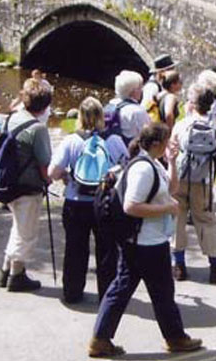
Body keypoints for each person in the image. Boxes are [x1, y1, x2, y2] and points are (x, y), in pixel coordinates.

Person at [89, 123, 203, 357]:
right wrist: (167, 209)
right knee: (161, 291)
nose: (171, 144)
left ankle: (100, 339)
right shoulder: (143, 168)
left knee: (123, 288)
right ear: (155, 144)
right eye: (167, 141)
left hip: (142, 241)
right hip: (146, 243)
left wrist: (171, 161)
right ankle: (175, 338)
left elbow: (171, 188)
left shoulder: (152, 163)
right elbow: (131, 206)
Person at [48, 97, 129, 303]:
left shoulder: (71, 141)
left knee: (75, 248)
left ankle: (72, 292)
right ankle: (108, 295)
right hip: (105, 203)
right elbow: (127, 167)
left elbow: (53, 172)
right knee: (107, 250)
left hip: (76, 201)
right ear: (102, 116)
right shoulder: (113, 140)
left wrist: (66, 176)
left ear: (79, 116)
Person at [170, 85, 216, 284]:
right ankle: (215, 266)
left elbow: (172, 148)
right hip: (203, 179)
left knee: (178, 219)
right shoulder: (215, 123)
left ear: (192, 103)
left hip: (181, 177)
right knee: (206, 220)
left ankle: (179, 265)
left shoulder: (182, 124)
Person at [0, 78, 53, 292]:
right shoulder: (37, 128)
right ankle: (17, 274)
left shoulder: (12, 118)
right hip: (27, 186)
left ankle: (5, 269)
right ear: (46, 105)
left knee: (18, 227)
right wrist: (49, 179)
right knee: (26, 232)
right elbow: (44, 163)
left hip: (8, 182)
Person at [109, 71, 151, 143]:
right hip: (131, 150)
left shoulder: (111, 104)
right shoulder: (138, 111)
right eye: (140, 87)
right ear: (133, 91)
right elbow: (148, 134)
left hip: (113, 148)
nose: (142, 90)